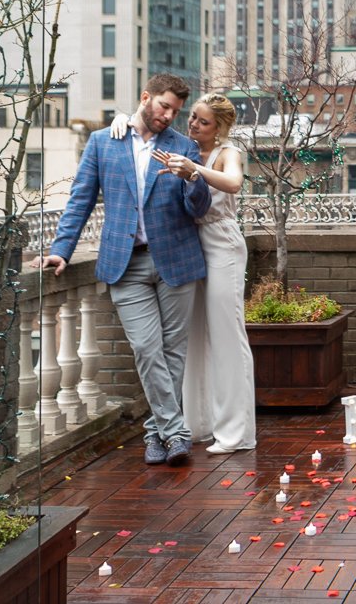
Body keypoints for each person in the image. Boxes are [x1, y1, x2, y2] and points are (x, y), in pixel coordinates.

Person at [38, 73, 211, 466]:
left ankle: (157, 435)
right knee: (147, 349)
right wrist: (60, 250)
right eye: (164, 106)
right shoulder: (104, 143)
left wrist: (192, 177)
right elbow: (80, 200)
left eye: (176, 111)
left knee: (173, 354)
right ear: (146, 97)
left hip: (176, 262)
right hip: (125, 264)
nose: (169, 115)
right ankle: (177, 432)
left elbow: (197, 209)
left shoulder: (184, 148)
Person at [113, 93, 256, 453]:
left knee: (227, 334)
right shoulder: (180, 146)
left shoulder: (228, 153)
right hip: (185, 246)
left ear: (219, 127)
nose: (192, 124)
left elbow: (234, 183)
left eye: (202, 121)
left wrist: (193, 170)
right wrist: (121, 119)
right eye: (192, 117)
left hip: (221, 243)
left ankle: (236, 433)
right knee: (189, 339)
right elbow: (143, 128)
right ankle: (194, 423)